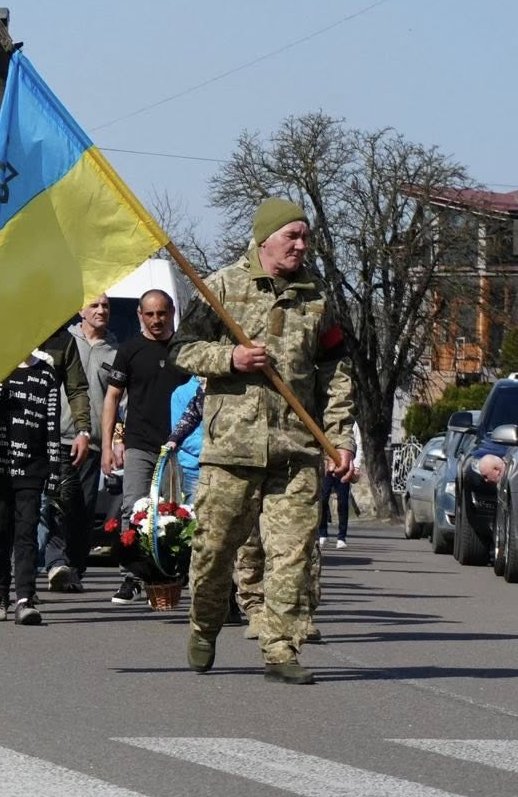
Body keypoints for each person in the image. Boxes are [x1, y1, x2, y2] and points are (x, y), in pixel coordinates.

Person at [172, 197, 357, 685]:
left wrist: (341, 440)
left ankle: (280, 646)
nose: (300, 245)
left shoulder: (317, 297)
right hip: (231, 449)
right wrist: (229, 358)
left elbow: (336, 372)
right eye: (291, 236)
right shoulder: (222, 287)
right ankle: (205, 624)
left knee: (293, 555)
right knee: (214, 551)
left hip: (296, 451)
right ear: (264, 239)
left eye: (305, 237)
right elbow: (181, 350)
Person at [101, 290, 188, 606]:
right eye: (149, 314)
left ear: (172, 312)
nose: (156, 320)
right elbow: (112, 397)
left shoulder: (185, 350)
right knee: (133, 508)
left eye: (162, 313)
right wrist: (109, 446)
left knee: (180, 510)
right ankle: (131, 576)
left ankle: (176, 572)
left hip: (180, 446)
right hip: (140, 444)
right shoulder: (129, 350)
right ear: (140, 314)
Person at [0, 348, 64, 624]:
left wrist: (54, 468)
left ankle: (24, 597)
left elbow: (52, 424)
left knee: (26, 533)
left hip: (31, 468)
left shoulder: (46, 373)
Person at [37, 314, 98, 594]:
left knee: (57, 504)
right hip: (13, 438)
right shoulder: (9, 333)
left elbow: (77, 389)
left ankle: (55, 564)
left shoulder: (63, 341)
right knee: (21, 509)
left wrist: (83, 430)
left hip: (53, 439)